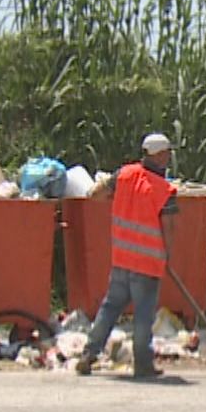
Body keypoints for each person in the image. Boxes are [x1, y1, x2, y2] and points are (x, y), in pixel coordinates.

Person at [78, 133, 179, 379]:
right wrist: (168, 256)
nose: (168, 157)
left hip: (122, 259)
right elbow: (169, 228)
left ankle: (88, 355)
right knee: (143, 316)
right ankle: (143, 364)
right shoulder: (164, 190)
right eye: (167, 153)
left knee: (110, 308)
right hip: (147, 263)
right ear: (159, 155)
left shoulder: (124, 175)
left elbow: (95, 194)